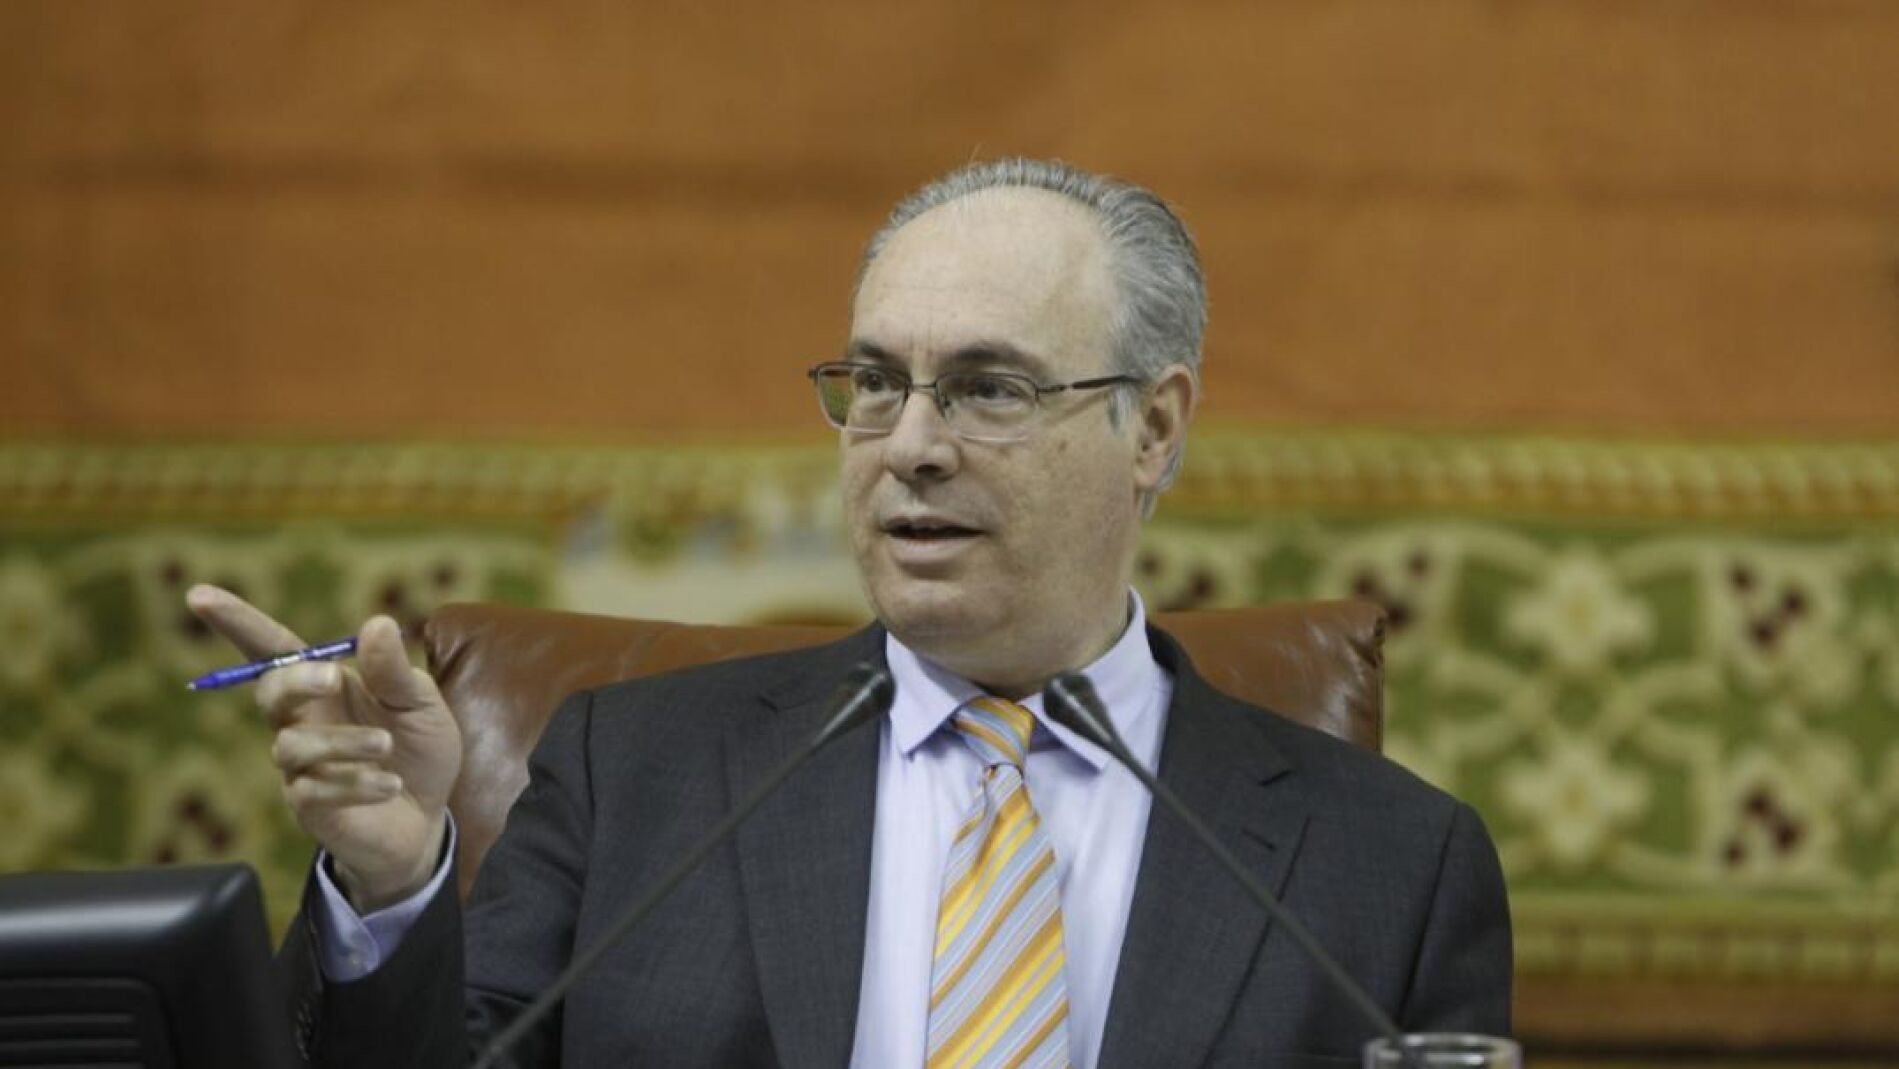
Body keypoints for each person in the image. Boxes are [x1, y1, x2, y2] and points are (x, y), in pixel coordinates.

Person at [189, 158, 1511, 1068]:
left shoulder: (1393, 866)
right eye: (876, 384)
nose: (911, 447)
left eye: (990, 388)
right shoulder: (631, 774)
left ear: (1152, 429)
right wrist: (390, 882)